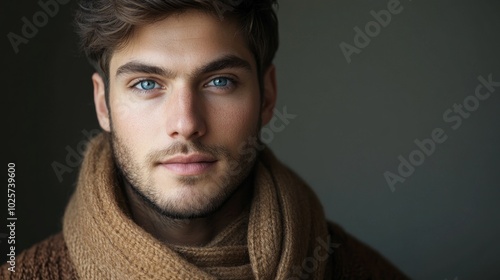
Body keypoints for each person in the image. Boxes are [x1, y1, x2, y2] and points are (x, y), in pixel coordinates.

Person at [1, 0, 410, 279]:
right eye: (147, 84)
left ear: (267, 96)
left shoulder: (360, 270)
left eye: (219, 81)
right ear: (103, 105)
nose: (186, 123)